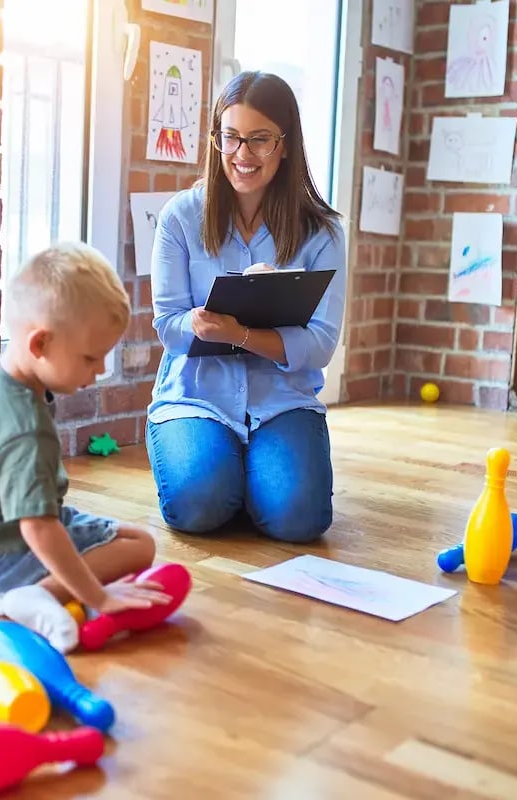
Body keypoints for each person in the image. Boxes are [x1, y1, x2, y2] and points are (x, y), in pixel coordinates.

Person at [0, 242, 170, 652]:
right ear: (40, 344)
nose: (98, 373)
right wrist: (100, 598)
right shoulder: (24, 428)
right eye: (90, 358)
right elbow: (38, 527)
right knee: (141, 546)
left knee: (124, 532)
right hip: (1, 550)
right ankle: (32, 595)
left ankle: (1, 587)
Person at [145, 71, 347, 544]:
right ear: (216, 138)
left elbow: (319, 344)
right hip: (196, 397)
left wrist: (238, 335)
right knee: (197, 506)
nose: (242, 155)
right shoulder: (180, 217)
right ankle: (228, 479)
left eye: (259, 140)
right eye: (231, 137)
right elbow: (168, 327)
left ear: (286, 144)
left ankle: (250, 482)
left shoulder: (323, 232)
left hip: (282, 400)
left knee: (300, 521)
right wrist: (196, 324)